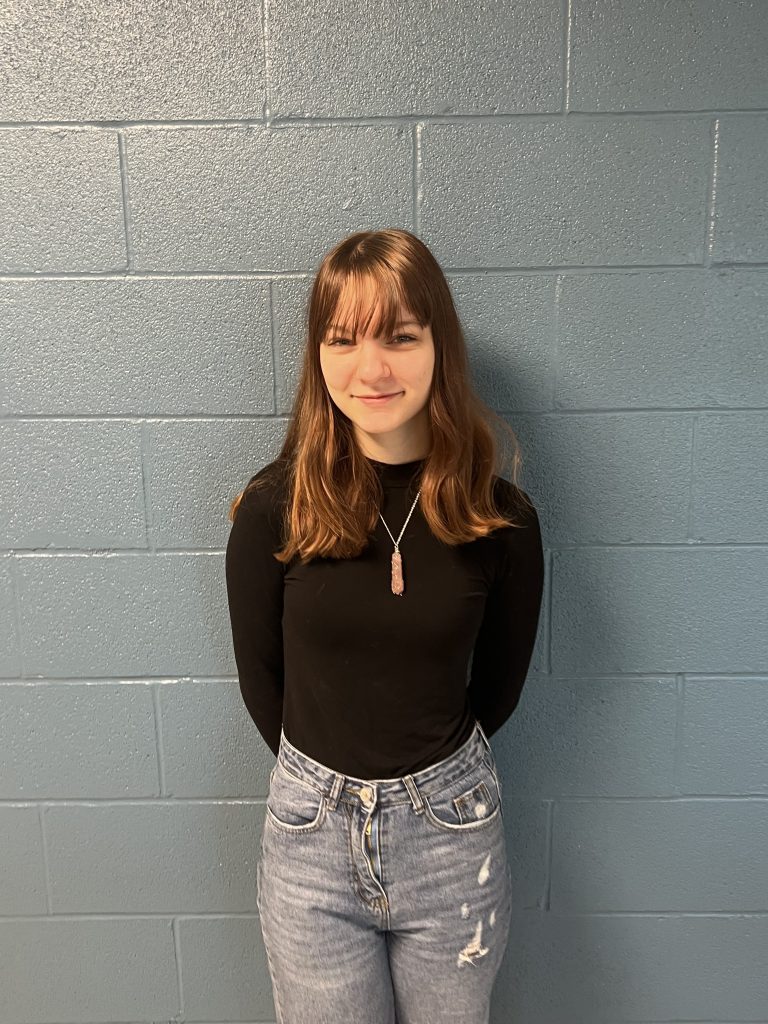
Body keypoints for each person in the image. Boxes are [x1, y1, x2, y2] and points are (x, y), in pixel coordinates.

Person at [224, 228, 544, 1024]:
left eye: (400, 337)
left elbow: (498, 688)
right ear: (318, 353)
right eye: (344, 340)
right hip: (310, 843)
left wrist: (425, 787)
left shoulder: (499, 520)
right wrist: (329, 790)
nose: (371, 369)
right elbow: (264, 684)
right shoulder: (275, 507)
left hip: (452, 839)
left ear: (440, 345)